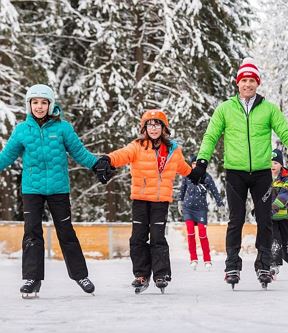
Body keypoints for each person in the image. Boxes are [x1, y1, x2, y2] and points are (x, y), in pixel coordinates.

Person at [188, 57, 288, 288]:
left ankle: (264, 264)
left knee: (265, 219)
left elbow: (286, 133)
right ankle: (232, 265)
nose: (248, 85)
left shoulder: (269, 109)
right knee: (236, 219)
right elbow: (210, 136)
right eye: (244, 80)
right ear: (237, 83)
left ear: (257, 83)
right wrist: (202, 162)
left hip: (262, 174)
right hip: (235, 173)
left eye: (252, 80)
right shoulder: (225, 109)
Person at [0, 84, 98, 297]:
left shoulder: (63, 128)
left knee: (66, 232)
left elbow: (79, 153)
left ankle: (80, 275)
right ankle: (32, 279)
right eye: (35, 102)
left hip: (58, 189)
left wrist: (97, 165)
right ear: (29, 105)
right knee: (32, 233)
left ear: (50, 105)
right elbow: (6, 156)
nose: (39, 106)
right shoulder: (22, 130)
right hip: (32, 190)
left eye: (44, 103)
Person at [95, 109, 194, 293]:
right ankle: (141, 274)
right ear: (144, 128)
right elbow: (122, 154)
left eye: (157, 124)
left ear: (164, 128)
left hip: (160, 201)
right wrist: (107, 159)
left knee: (157, 237)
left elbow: (183, 168)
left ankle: (161, 274)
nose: (153, 128)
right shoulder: (137, 146)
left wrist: (195, 174)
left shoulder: (173, 150)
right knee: (138, 237)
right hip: (140, 200)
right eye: (150, 124)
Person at [178, 155, 224, 271]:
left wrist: (220, 204)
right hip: (188, 208)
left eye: (197, 164)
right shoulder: (187, 175)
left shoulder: (206, 177)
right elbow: (182, 190)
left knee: (202, 234)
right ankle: (193, 258)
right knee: (190, 233)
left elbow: (214, 191)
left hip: (201, 210)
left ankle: (207, 259)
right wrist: (180, 202)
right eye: (193, 163)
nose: (195, 166)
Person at [269, 149, 288, 277]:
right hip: (272, 217)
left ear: (281, 164)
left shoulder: (286, 178)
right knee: (274, 240)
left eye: (275, 163)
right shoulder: (264, 178)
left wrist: (274, 207)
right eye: (270, 163)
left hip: (285, 215)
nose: (272, 166)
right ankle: (274, 265)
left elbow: (285, 195)